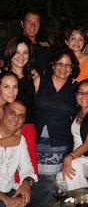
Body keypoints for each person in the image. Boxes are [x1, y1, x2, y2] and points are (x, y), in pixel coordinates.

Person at [33, 48, 80, 181]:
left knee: (56, 182)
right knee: (34, 180)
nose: (63, 68)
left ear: (72, 68)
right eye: (59, 63)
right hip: (35, 139)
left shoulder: (75, 88)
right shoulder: (39, 80)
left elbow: (82, 112)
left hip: (60, 142)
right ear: (53, 65)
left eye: (67, 65)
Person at [0, 100, 52, 207]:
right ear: (2, 113)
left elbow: (27, 168)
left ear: (23, 121)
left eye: (21, 115)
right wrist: (6, 200)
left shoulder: (21, 140)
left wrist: (27, 182)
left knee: (47, 188)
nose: (16, 118)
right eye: (12, 113)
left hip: (10, 190)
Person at [3, 35, 39, 181]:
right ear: (10, 52)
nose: (21, 56)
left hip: (28, 127)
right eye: (17, 52)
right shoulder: (2, 74)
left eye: (25, 52)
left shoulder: (33, 76)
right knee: (6, 169)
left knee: (27, 172)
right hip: (7, 126)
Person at [20, 8, 52, 75]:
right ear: (22, 24)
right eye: (29, 22)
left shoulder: (46, 51)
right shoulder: (11, 46)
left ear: (39, 26)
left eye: (36, 22)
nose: (33, 26)